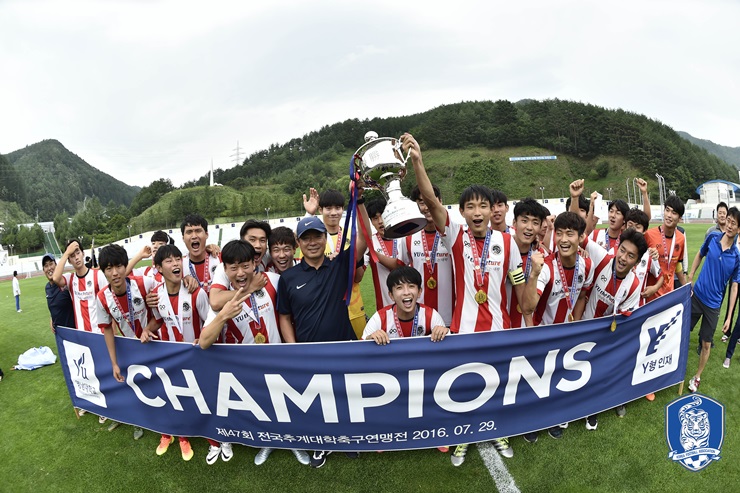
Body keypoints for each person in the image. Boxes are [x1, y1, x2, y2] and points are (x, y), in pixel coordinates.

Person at [405, 132, 521, 464]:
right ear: (462, 212)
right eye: (470, 206)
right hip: (464, 328)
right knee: (465, 386)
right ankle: (463, 437)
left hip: (499, 328)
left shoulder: (507, 242)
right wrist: (418, 161)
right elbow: (429, 196)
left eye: (483, 205)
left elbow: (519, 287)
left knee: (496, 385)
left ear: (493, 209)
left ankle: (498, 432)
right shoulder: (454, 235)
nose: (477, 211)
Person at [278, 202, 368, 468]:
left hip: (343, 346)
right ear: (298, 242)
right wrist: (293, 348)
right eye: (306, 238)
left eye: (317, 236)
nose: (313, 242)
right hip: (308, 351)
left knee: (344, 396)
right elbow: (284, 315)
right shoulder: (289, 277)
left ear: (325, 237)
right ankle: (321, 443)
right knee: (317, 401)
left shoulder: (339, 265)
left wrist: (359, 201)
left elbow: (365, 239)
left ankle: (348, 438)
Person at [521, 211, 594, 440]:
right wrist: (533, 274)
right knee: (537, 381)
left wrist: (576, 325)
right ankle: (531, 422)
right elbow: (528, 307)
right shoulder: (547, 268)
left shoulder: (587, 265)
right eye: (559, 233)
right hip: (544, 333)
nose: (563, 239)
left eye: (569, 234)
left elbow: (582, 294)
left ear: (581, 237)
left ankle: (553, 417)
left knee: (558, 379)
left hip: (568, 334)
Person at [141, 243, 211, 461]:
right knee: (173, 396)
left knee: (198, 397)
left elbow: (210, 320)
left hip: (196, 356)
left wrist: (205, 336)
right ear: (159, 269)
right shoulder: (155, 295)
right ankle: (176, 436)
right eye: (169, 261)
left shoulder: (195, 292)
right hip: (170, 359)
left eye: (178, 259)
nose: (175, 263)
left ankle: (206, 434)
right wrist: (146, 330)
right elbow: (159, 319)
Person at [574, 227, 647, 422]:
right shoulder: (602, 257)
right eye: (622, 250)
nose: (623, 258)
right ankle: (570, 410)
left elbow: (625, 322)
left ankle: (593, 408)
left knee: (598, 371)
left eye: (630, 256)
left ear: (637, 262)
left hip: (604, 335)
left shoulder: (633, 285)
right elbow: (577, 236)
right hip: (581, 327)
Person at [97, 244, 159, 440]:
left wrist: (149, 329)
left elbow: (163, 313)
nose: (115, 273)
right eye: (109, 268)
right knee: (136, 386)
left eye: (118, 266)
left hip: (157, 343)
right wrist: (114, 363)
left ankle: (165, 425)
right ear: (104, 272)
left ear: (126, 266)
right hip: (131, 349)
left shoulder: (145, 284)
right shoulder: (102, 298)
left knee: (161, 384)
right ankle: (140, 421)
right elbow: (107, 329)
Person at [686, 207, 740, 392]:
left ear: (739, 229)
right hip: (697, 296)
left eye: (734, 223)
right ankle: (674, 367)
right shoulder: (712, 238)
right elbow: (700, 254)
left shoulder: (737, 257)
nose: (730, 225)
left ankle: (697, 376)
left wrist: (728, 316)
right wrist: (691, 276)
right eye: (729, 220)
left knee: (706, 344)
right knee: (684, 333)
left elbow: (734, 286)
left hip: (713, 306)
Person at [303, 188, 368, 338]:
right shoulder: (313, 242)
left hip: (354, 309)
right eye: (328, 208)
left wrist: (347, 262)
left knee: (359, 355)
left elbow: (358, 277)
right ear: (320, 209)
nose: (333, 212)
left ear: (343, 209)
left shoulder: (352, 236)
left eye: (338, 208)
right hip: (326, 311)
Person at [401, 185, 454, 327]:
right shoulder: (408, 237)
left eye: (430, 201)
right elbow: (400, 270)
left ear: (440, 201)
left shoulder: (453, 235)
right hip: (419, 317)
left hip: (452, 315)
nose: (426, 207)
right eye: (422, 202)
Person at [508, 198, 549, 328]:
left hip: (530, 327)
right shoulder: (501, 250)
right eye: (524, 221)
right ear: (514, 222)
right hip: (502, 326)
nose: (529, 227)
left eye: (535, 222)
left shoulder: (543, 255)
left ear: (541, 226)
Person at [643, 195, 687, 302]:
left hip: (669, 295)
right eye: (667, 210)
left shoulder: (681, 238)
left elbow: (676, 265)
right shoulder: (649, 235)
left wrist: (686, 286)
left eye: (674, 213)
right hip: (650, 295)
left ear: (680, 218)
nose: (669, 215)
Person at [365, 198, 404, 311]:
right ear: (371, 221)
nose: (380, 221)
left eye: (382, 215)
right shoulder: (370, 243)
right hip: (384, 309)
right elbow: (358, 275)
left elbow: (399, 266)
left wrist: (372, 252)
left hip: (409, 307)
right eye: (375, 218)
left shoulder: (405, 238)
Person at [180, 214, 222, 294]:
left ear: (206, 234)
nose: (194, 236)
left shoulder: (220, 258)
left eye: (198, 231)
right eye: (189, 232)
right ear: (183, 238)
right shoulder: (179, 266)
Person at [42, 253, 75, 332]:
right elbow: (54, 307)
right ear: (43, 270)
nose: (49, 268)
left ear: (56, 266)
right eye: (46, 266)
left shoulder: (66, 281)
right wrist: (52, 318)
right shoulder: (47, 287)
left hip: (73, 331)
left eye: (51, 264)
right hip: (59, 333)